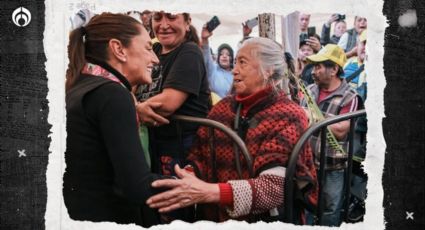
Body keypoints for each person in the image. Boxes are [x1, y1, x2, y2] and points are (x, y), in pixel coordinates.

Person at [146, 37, 318, 223]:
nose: (234, 70)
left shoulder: (289, 115)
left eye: (242, 63)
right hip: (217, 218)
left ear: (267, 70)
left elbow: (273, 189)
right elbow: (200, 156)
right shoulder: (223, 108)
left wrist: (208, 192)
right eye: (236, 62)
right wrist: (187, 176)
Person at [64, 13, 169, 227]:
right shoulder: (113, 95)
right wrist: (187, 186)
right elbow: (137, 187)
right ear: (119, 49)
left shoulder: (80, 85)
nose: (155, 59)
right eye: (148, 48)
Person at [301, 44, 361, 226]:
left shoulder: (350, 97)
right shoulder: (309, 90)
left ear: (334, 69)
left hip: (332, 167)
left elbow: (342, 131)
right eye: (314, 67)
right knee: (306, 204)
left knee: (330, 208)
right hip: (307, 164)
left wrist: (309, 118)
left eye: (318, 67)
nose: (314, 71)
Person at [201, 26, 234, 98]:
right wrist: (205, 39)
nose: (224, 56)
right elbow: (206, 54)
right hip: (214, 107)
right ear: (218, 57)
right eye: (221, 54)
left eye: (228, 54)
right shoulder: (213, 69)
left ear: (231, 58)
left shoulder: (235, 73)